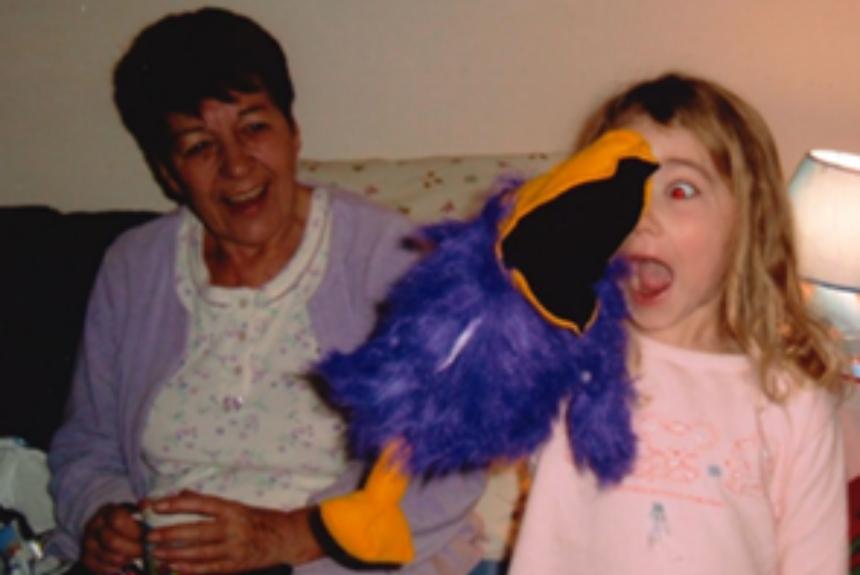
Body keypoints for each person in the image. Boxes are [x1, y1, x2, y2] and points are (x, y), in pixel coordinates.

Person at [46, 7, 484, 575]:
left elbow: (456, 455)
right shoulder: (133, 267)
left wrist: (290, 537)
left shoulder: (389, 257)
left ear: (293, 132)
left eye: (254, 127)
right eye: (200, 145)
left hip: (335, 561)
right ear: (168, 171)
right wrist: (101, 516)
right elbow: (87, 443)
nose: (236, 166)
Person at [509, 72, 849, 574]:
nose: (640, 216)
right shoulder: (561, 356)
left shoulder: (790, 397)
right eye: (620, 190)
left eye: (681, 190)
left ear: (748, 223)